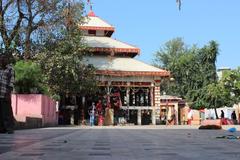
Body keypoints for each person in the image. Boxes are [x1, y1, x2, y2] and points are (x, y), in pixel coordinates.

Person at [0, 54, 15, 134]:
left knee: (7, 112)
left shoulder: (10, 69)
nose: (2, 60)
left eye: (4, 58)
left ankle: (10, 128)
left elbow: (11, 82)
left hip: (5, 93)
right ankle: (2, 129)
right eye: (1, 58)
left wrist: (8, 94)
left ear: (7, 60)